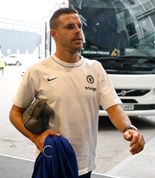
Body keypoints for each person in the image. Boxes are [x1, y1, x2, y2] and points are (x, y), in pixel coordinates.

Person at [9, 8, 145, 178]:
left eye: (80, 26)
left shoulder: (95, 68)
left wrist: (128, 128)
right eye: (70, 27)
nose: (78, 31)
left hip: (84, 164)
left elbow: (113, 107)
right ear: (54, 34)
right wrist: (36, 139)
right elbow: (15, 113)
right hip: (52, 160)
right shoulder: (37, 71)